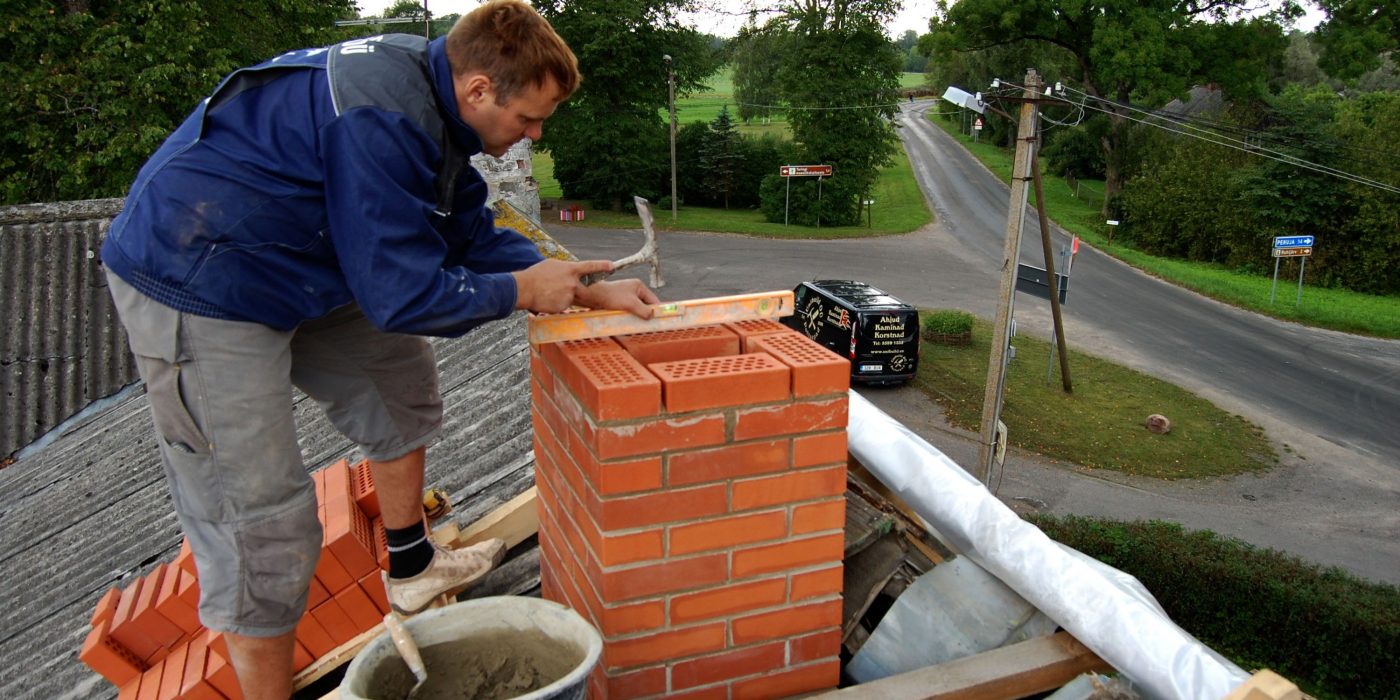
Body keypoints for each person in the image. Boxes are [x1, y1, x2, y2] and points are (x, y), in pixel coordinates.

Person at [99, 2, 657, 698]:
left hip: (297, 254)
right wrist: (521, 291)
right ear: (480, 89)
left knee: (398, 384)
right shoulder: (380, 119)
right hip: (198, 278)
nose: (533, 136)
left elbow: (468, 231)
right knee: (264, 529)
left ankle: (412, 568)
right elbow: (403, 296)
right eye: (529, 119)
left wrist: (583, 288)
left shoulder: (434, 94)